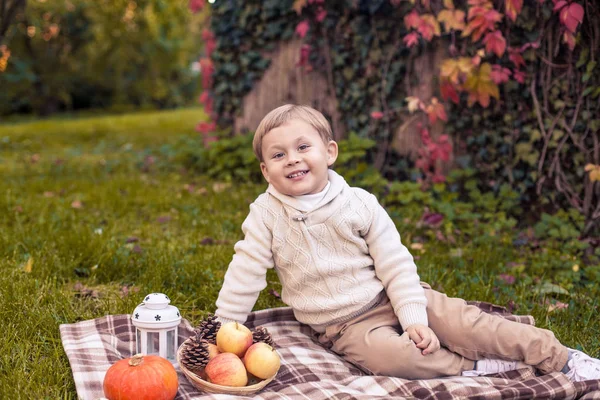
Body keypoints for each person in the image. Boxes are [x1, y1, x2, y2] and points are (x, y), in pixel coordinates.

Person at [214, 104, 600, 381]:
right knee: (396, 360)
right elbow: (245, 270)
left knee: (471, 325)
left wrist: (413, 317)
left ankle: (560, 357)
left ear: (329, 152)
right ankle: (474, 367)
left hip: (393, 295)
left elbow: (395, 263)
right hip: (342, 327)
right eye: (278, 155)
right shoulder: (265, 214)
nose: (292, 160)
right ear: (266, 170)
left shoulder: (359, 204)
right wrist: (225, 326)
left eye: (303, 148)